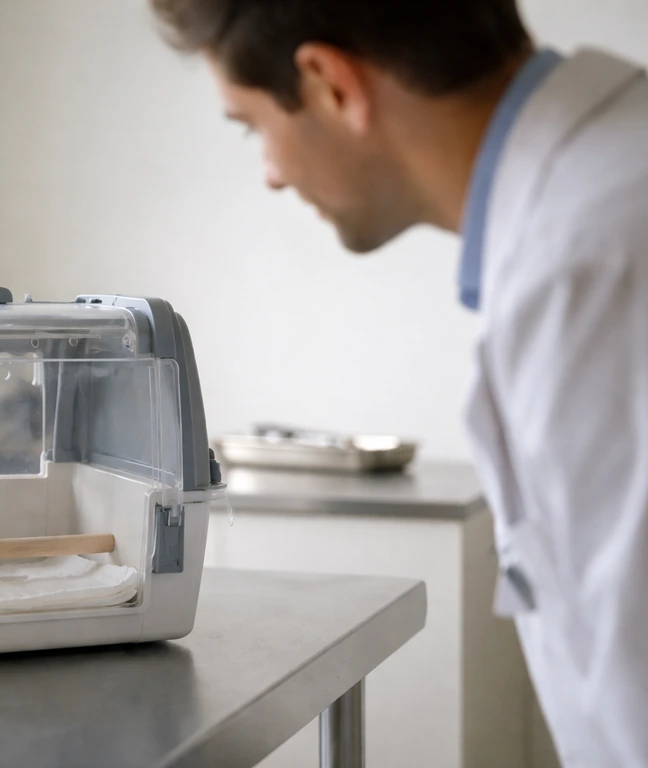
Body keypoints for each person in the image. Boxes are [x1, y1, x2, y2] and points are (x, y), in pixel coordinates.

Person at [149, 1, 648, 766]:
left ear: (330, 85)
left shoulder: (588, 264)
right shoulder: (601, 190)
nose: (273, 176)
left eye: (252, 128)